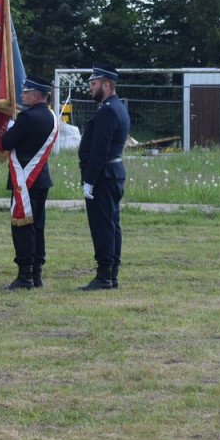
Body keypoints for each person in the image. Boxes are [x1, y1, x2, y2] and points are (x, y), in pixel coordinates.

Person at [0, 75, 58, 290]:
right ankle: (36, 273)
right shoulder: (51, 116)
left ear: (35, 95)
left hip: (24, 178)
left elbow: (6, 142)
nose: (22, 94)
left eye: (25, 92)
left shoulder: (27, 118)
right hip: (41, 178)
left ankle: (25, 275)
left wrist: (11, 127)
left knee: (22, 227)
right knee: (38, 226)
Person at [77, 65, 130, 290]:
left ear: (106, 85)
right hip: (112, 174)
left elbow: (100, 149)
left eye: (94, 84)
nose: (90, 88)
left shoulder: (108, 110)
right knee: (111, 225)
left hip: (104, 176)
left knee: (103, 227)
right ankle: (111, 273)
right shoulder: (117, 107)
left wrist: (89, 180)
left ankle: (105, 276)